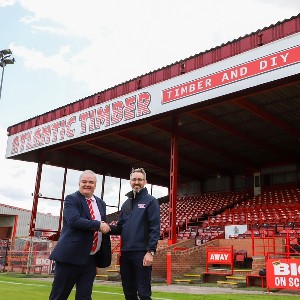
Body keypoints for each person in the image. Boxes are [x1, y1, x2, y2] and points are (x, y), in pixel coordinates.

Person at [49, 170, 111, 300]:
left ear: (95, 185)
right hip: (70, 257)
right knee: (59, 295)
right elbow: (74, 220)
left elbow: (104, 225)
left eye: (91, 182)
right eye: (84, 182)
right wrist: (98, 225)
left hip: (90, 258)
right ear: (79, 183)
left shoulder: (101, 203)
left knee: (85, 297)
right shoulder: (72, 199)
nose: (87, 184)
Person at [102, 167, 160, 300]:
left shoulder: (151, 201)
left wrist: (150, 251)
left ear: (145, 181)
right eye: (134, 179)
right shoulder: (126, 204)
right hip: (126, 254)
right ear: (130, 181)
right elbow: (120, 227)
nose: (137, 182)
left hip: (141, 253)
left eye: (140, 179)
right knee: (129, 293)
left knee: (144, 294)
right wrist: (107, 228)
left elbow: (155, 228)